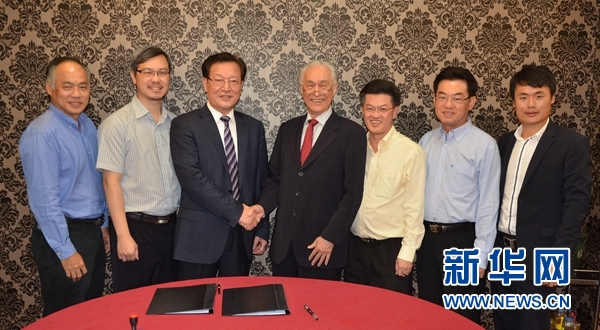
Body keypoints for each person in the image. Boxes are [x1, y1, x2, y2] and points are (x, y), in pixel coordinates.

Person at [492, 64, 592, 330]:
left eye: (539, 95)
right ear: (513, 101)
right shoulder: (503, 144)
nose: (531, 104)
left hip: (540, 256)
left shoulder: (571, 144)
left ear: (553, 98)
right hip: (503, 254)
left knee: (533, 324)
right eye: (523, 96)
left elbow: (576, 204)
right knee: (504, 322)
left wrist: (558, 259)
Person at [255, 60, 366, 280]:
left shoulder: (351, 134)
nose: (316, 92)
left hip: (322, 249)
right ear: (301, 89)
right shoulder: (288, 129)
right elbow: (275, 179)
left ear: (334, 89)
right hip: (284, 248)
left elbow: (352, 194)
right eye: (310, 85)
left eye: (323, 85)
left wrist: (330, 237)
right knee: (284, 310)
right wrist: (261, 208)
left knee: (320, 313)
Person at [20, 57, 109, 316]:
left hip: (90, 233)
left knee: (89, 314)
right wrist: (66, 251)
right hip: (64, 237)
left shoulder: (87, 126)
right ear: (50, 88)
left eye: (83, 87)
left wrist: (102, 225)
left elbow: (94, 181)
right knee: (65, 318)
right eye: (68, 86)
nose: (76, 94)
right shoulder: (42, 133)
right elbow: (44, 201)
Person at [169, 52, 268, 279]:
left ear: (241, 85)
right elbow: (192, 179)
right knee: (194, 309)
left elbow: (260, 181)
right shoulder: (184, 125)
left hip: (242, 236)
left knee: (236, 308)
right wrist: (238, 212)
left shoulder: (253, 128)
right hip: (198, 237)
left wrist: (261, 228)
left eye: (234, 81)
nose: (226, 87)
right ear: (205, 83)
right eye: (219, 80)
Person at [417, 67, 500, 323]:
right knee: (429, 316)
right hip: (427, 242)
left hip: (463, 243)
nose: (448, 104)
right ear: (434, 100)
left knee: (460, 319)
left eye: (457, 97)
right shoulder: (425, 141)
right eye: (442, 96)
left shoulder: (484, 145)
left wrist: (480, 256)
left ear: (471, 102)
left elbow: (489, 203)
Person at [97, 46, 180, 292]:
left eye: (162, 72)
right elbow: (110, 183)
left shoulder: (177, 125)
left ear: (169, 77)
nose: (156, 79)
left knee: (169, 305)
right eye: (148, 72)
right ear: (134, 76)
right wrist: (122, 236)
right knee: (133, 306)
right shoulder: (116, 124)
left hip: (172, 230)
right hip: (134, 229)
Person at [344, 79, 426, 294]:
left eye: (383, 109)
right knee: (354, 314)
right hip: (354, 249)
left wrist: (407, 253)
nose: (375, 115)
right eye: (369, 108)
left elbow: (414, 207)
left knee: (391, 318)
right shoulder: (353, 147)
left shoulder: (410, 151)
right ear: (362, 110)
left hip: (390, 252)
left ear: (395, 111)